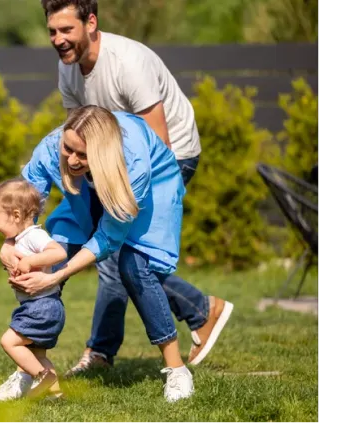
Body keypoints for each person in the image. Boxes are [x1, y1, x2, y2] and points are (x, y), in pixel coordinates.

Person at [33, 0, 233, 376]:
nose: (58, 40)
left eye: (66, 30)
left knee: (119, 252)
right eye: (52, 32)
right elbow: (78, 136)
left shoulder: (128, 63)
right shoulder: (69, 70)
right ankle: (200, 311)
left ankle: (101, 352)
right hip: (117, 165)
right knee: (118, 252)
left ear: (91, 22)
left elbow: (159, 142)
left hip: (168, 159)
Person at [7, 105, 201, 402]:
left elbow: (109, 236)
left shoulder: (133, 161)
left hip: (149, 191)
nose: (71, 159)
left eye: (81, 155)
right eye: (68, 148)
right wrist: (10, 246)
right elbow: (21, 204)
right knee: (51, 253)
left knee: (134, 264)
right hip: (85, 190)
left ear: (101, 152)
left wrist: (58, 276)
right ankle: (33, 370)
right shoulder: (51, 149)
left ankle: (176, 369)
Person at [0, 177, 68, 404]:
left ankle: (42, 376)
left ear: (17, 216)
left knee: (9, 342)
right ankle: (55, 395)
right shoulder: (20, 239)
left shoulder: (34, 236)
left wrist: (30, 262)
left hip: (42, 307)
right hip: (40, 306)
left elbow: (58, 253)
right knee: (38, 354)